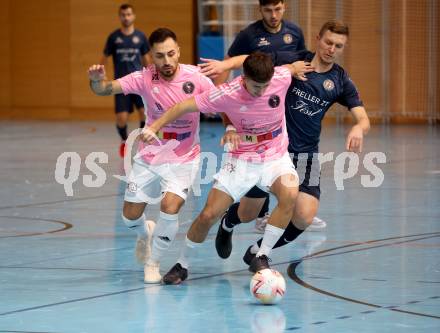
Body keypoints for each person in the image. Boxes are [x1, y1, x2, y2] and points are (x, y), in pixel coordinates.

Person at [208, 20, 370, 270]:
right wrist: (223, 65)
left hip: (305, 155)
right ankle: (227, 224)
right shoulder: (292, 60)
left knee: (304, 215)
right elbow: (249, 59)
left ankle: (258, 252)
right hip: (271, 152)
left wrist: (359, 127)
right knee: (249, 213)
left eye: (338, 45)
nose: (331, 49)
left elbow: (362, 117)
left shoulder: (339, 80)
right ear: (318, 39)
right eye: (328, 42)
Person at [141, 52, 303, 285]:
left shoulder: (280, 77)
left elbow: (292, 68)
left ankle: (262, 255)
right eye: (256, 86)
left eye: (265, 86)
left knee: (289, 195)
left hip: (275, 157)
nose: (261, 92)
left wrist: (298, 66)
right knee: (208, 214)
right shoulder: (227, 93)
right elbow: (182, 106)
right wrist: (154, 126)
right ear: (244, 78)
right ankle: (182, 265)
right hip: (241, 160)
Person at [88, 28, 215, 283]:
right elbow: (103, 89)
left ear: (178, 50)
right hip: (150, 156)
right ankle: (145, 234)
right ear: (151, 57)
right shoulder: (143, 78)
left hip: (185, 156)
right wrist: (95, 80)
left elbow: (223, 101)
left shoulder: (197, 78)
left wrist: (233, 128)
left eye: (170, 54)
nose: (166, 61)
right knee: (130, 216)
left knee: (170, 207)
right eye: (160, 56)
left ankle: (153, 261)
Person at [210, 0, 326, 232]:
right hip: (255, 109)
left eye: (278, 9)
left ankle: (293, 207)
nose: (273, 15)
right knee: (261, 164)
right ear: (260, 10)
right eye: (267, 10)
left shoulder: (294, 32)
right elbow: (229, 65)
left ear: (284, 7)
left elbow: (300, 65)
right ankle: (259, 213)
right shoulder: (248, 36)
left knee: (286, 157)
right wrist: (220, 105)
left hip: (284, 104)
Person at [100, 3, 151, 157]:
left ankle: (142, 142)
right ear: (120, 17)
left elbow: (146, 60)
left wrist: (151, 78)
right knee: (121, 118)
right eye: (123, 15)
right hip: (121, 85)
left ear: (133, 16)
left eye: (129, 14)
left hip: (139, 84)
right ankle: (124, 140)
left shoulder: (141, 37)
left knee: (145, 113)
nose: (126, 17)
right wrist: (102, 76)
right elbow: (104, 58)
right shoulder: (114, 38)